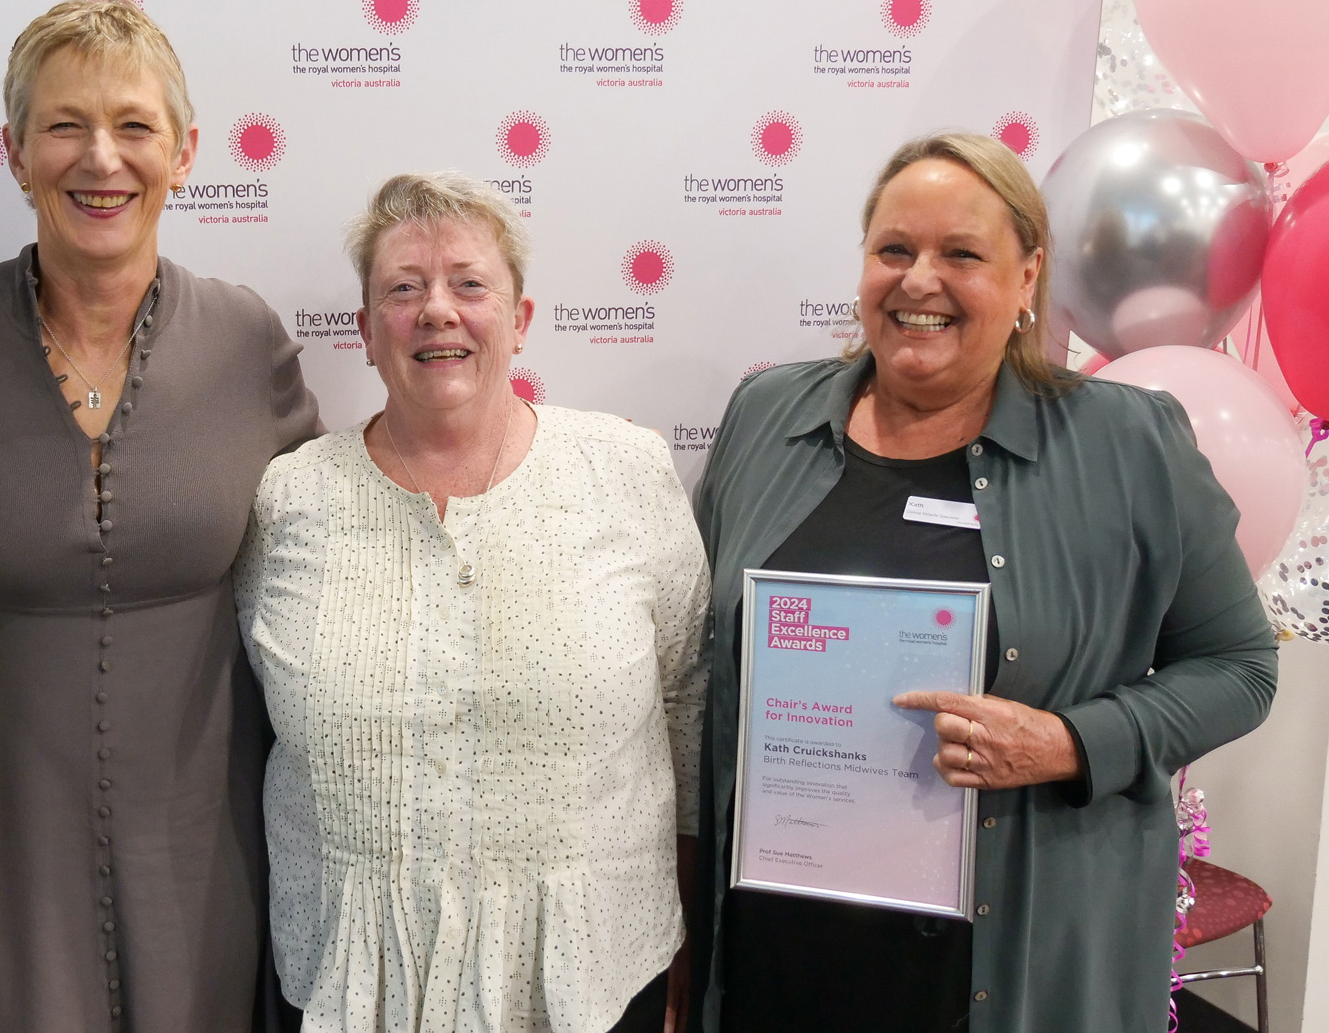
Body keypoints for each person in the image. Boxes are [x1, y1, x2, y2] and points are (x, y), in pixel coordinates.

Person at [691, 133, 1279, 1032]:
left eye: (961, 254)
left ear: (1027, 277)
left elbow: (1240, 666)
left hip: (1013, 965)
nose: (919, 280)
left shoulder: (1126, 444)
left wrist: (1072, 742)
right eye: (895, 250)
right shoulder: (769, 415)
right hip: (786, 956)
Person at [0, 0, 321, 1033]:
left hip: (208, 843)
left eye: (133, 126)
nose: (99, 158)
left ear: (184, 153)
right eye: (63, 126)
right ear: (15, 153)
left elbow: (330, 567)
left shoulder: (246, 342)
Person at [234, 172, 711, 1033]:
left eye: (469, 284)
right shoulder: (288, 500)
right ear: (367, 333)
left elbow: (685, 699)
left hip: (595, 972)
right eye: (403, 290)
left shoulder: (624, 472)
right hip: (353, 976)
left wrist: (689, 922)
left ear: (520, 320)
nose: (437, 311)